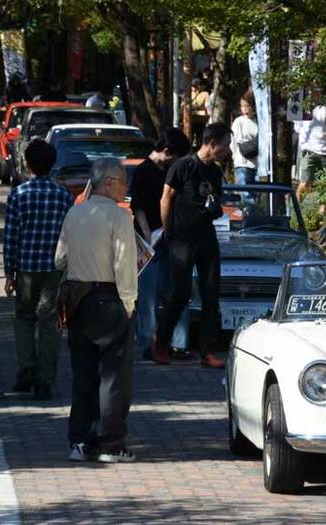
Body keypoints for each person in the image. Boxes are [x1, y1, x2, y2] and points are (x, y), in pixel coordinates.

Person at [55, 158, 138, 463]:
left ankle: (79, 440)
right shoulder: (119, 218)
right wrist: (129, 302)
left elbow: (58, 259)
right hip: (110, 298)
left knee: (83, 373)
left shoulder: (75, 212)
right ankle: (111, 444)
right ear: (108, 183)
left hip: (77, 300)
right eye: (122, 182)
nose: (126, 188)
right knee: (113, 376)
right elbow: (125, 265)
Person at [152, 122, 231, 369]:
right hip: (181, 238)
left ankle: (208, 351)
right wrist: (167, 230)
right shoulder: (182, 166)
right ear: (213, 144)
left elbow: (214, 200)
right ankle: (161, 343)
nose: (228, 150)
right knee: (181, 293)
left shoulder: (215, 172)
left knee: (210, 293)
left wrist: (216, 208)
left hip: (206, 236)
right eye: (226, 144)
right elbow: (165, 199)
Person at [3, 140, 72, 400]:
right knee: (49, 322)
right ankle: (45, 379)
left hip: (26, 269)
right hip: (54, 269)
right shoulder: (63, 195)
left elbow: (12, 236)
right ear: (52, 163)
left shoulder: (18, 194)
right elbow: (70, 236)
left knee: (23, 318)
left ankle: (27, 367)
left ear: (27, 163)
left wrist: (9, 272)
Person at [129, 128, 192, 363]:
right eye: (176, 156)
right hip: (150, 241)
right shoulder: (143, 171)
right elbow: (139, 207)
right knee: (148, 296)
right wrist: (148, 238)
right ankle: (148, 344)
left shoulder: (171, 170)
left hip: (170, 238)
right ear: (167, 152)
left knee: (176, 291)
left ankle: (178, 343)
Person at [294, 89, 326, 202]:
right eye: (314, 92)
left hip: (325, 150)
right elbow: (297, 128)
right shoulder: (304, 107)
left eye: (318, 92)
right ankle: (297, 209)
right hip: (309, 150)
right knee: (305, 182)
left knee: (325, 184)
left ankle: (321, 215)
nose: (316, 94)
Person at [230, 90, 258, 185]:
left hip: (256, 162)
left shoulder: (258, 122)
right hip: (242, 162)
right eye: (242, 106)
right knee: (245, 192)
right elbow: (233, 141)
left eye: (247, 106)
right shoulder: (238, 122)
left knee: (256, 193)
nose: (245, 109)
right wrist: (235, 157)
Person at [189, 79, 210, 147]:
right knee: (190, 137)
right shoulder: (189, 93)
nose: (194, 88)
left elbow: (208, 106)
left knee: (200, 137)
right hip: (190, 120)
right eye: (193, 86)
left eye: (196, 86)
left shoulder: (205, 94)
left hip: (200, 119)